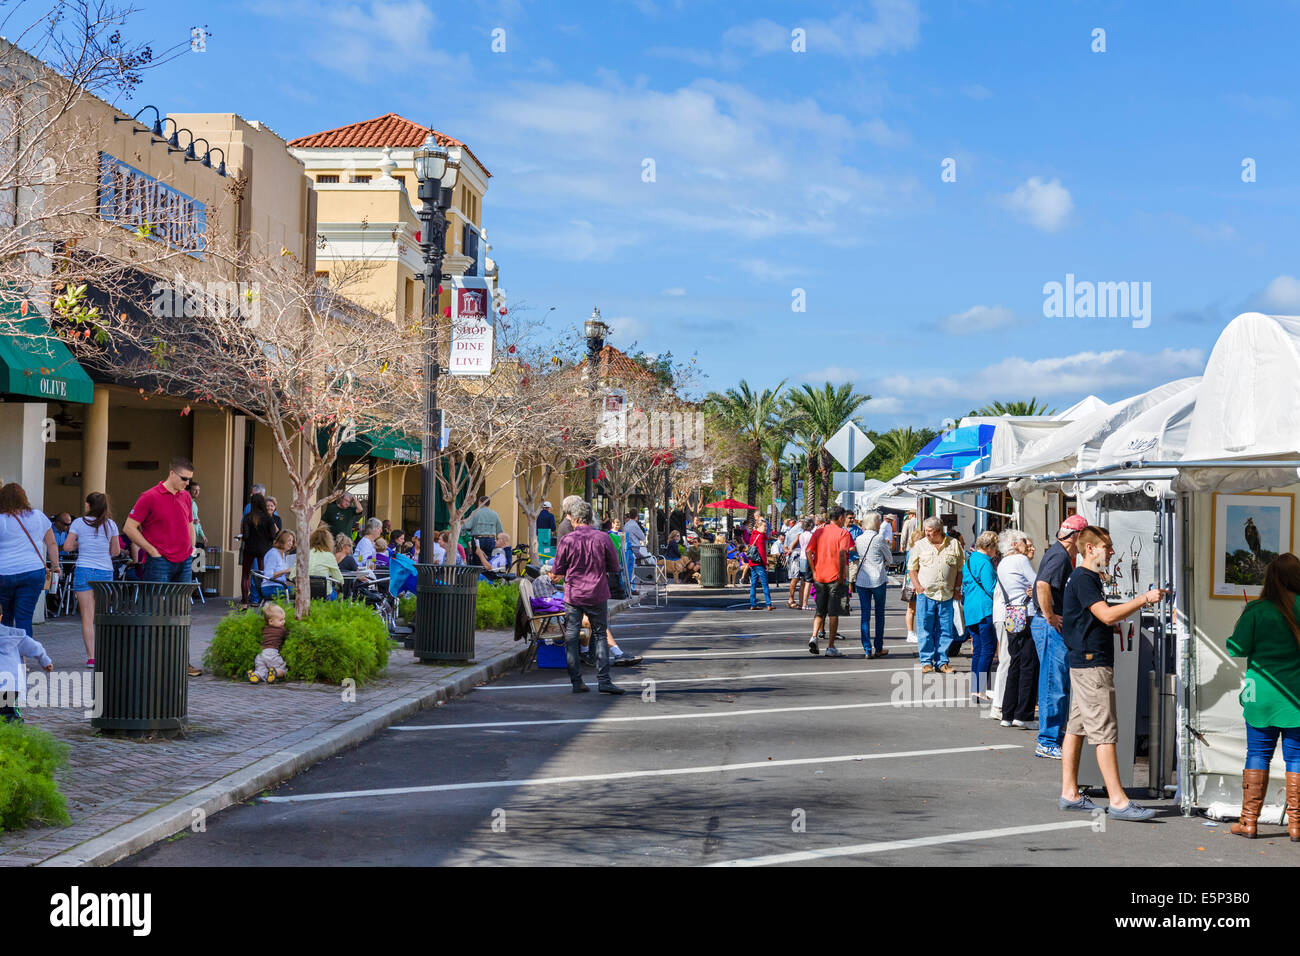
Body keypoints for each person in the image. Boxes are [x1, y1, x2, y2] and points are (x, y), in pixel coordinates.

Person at [1058, 526, 1164, 822]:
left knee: (1076, 729)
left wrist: (1107, 625)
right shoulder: (1085, 578)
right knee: (1105, 732)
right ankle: (1118, 800)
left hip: (1084, 660)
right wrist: (1144, 599)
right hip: (1092, 664)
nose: (1112, 552)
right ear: (1091, 548)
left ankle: (1069, 793)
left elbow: (1093, 618)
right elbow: (1105, 614)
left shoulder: (1084, 578)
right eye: (1108, 547)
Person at [1226, 553, 1300, 839]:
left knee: (1258, 754)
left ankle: (1249, 822)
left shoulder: (1257, 609)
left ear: (1269, 578)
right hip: (1295, 695)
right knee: (1296, 757)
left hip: (1261, 695)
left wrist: (1243, 619)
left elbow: (1236, 648)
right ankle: (1296, 824)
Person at [123, 457, 203, 676]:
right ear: (172, 474)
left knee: (181, 612)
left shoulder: (186, 497)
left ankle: (180, 662)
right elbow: (129, 527)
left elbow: (189, 524)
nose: (187, 483)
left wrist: (191, 548)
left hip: (183, 561)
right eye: (184, 478)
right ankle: (150, 663)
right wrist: (151, 550)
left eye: (190, 479)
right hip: (159, 561)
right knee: (153, 611)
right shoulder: (149, 497)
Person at [549, 499, 623, 694]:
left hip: (573, 594)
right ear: (591, 518)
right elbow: (615, 567)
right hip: (597, 591)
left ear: (573, 520)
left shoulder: (567, 540)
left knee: (572, 636)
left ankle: (576, 681)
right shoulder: (603, 538)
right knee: (600, 635)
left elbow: (557, 569)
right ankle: (604, 680)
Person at [1033, 514, 1087, 760]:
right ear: (1076, 536)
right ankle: (1047, 740)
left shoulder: (1058, 553)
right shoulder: (1060, 555)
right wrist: (1050, 616)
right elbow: (1042, 585)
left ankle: (1052, 737)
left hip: (1050, 625)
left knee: (1057, 682)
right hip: (1050, 626)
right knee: (1054, 683)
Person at [62, 492, 121, 666]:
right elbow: (115, 551)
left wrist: (81, 543)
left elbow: (66, 546)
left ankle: (91, 657)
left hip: (84, 569)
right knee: (102, 615)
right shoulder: (110, 525)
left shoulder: (78, 523)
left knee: (87, 617)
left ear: (88, 505)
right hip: (104, 572)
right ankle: (105, 654)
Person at [0, 483, 59, 646]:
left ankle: (7, 657)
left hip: (4, 573)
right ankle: (23, 659)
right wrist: (56, 566)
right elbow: (52, 543)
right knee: (24, 616)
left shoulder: (1, 520)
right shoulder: (38, 516)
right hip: (33, 571)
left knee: (5, 616)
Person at [909, 517, 963, 674]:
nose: (926, 534)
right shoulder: (920, 545)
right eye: (925, 531)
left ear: (939, 531)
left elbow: (960, 569)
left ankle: (942, 661)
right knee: (925, 628)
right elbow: (912, 569)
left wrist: (957, 588)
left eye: (929, 531)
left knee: (945, 629)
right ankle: (926, 661)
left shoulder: (954, 544)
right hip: (926, 594)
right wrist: (918, 587)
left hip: (946, 594)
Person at [996, 528, 1038, 729]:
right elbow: (1038, 582)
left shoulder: (1003, 563)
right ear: (1014, 544)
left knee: (1015, 662)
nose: (1025, 543)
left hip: (1011, 614)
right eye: (1022, 540)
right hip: (1027, 613)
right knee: (1029, 664)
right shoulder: (1020, 560)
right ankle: (1024, 714)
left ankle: (1008, 712)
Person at [806, 505, 854, 657]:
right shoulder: (843, 533)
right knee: (834, 612)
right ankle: (831, 646)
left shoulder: (819, 531)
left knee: (820, 610)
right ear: (840, 518)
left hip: (819, 575)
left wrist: (813, 570)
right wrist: (841, 574)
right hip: (835, 577)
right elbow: (842, 553)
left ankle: (814, 636)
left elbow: (808, 551)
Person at [964, 530, 999, 701]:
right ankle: (980, 689)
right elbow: (991, 588)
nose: (996, 551)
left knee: (978, 649)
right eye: (995, 547)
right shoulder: (985, 563)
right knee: (988, 649)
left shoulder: (970, 561)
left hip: (970, 609)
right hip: (984, 609)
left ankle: (975, 688)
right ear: (990, 547)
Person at [854, 512, 893, 658]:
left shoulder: (859, 539)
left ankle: (866, 648)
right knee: (879, 614)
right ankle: (878, 647)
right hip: (877, 579)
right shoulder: (878, 538)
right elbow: (889, 558)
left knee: (865, 615)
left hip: (862, 579)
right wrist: (882, 560)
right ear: (875, 522)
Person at [0, 616, 52, 723]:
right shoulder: (14, 636)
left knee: (6, 712)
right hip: (11, 683)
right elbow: (35, 647)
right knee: (7, 713)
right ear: (1, 617)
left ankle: (14, 729)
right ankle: (16, 731)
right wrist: (45, 661)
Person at [238, 493, 277, 608]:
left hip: (250, 549)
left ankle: (245, 602)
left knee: (246, 575)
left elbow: (245, 535)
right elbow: (273, 535)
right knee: (263, 575)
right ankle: (263, 601)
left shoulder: (247, 517)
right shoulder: (268, 518)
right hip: (264, 550)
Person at [288, 527, 345, 599]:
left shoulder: (303, 554)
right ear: (329, 541)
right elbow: (340, 580)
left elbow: (292, 576)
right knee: (334, 592)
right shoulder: (329, 556)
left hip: (304, 595)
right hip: (324, 595)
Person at [248, 602, 288, 684]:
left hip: (260, 655)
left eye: (284, 619)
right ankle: (275, 673)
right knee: (283, 670)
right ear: (271, 621)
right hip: (272, 654)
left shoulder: (264, 629)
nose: (284, 622)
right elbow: (288, 636)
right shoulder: (282, 630)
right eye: (281, 620)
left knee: (261, 671)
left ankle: (256, 676)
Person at [745, 516, 773, 610]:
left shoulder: (753, 535)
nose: (766, 528)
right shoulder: (760, 537)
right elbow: (762, 552)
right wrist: (766, 564)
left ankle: (753, 604)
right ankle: (768, 604)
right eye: (764, 527)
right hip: (759, 563)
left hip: (752, 563)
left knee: (753, 584)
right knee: (765, 584)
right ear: (758, 527)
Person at [260, 530, 295, 601]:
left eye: (292, 541)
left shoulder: (282, 554)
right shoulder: (273, 554)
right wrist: (286, 570)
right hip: (270, 588)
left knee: (303, 590)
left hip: (279, 586)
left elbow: (280, 573)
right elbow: (268, 575)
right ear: (282, 541)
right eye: (289, 540)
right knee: (301, 592)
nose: (291, 543)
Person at [466, 495, 504, 559]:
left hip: (478, 540)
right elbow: (500, 530)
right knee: (489, 561)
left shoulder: (475, 512)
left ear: (480, 502)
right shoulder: (494, 514)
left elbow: (467, 526)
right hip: (491, 540)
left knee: (477, 562)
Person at [622, 511, 646, 593]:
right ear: (636, 516)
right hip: (635, 548)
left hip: (627, 548)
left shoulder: (626, 524)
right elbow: (642, 537)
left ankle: (627, 588)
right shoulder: (634, 525)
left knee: (628, 569)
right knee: (632, 569)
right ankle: (631, 588)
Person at [189, 481, 206, 548]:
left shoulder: (194, 504)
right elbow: (179, 519)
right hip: (187, 538)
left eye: (198, 490)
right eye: (194, 490)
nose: (197, 492)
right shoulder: (185, 503)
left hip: (195, 539)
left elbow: (197, 522)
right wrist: (193, 521)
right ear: (189, 490)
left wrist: (203, 535)